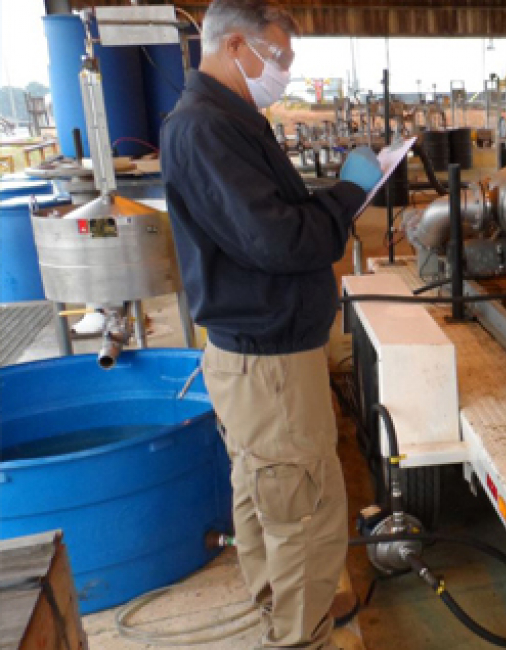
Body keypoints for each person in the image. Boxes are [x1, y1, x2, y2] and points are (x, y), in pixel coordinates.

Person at [159, 1, 382, 647]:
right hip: (270, 367)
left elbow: (270, 219)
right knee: (305, 515)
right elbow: (279, 242)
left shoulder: (233, 122)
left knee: (267, 502)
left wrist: (333, 196)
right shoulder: (205, 128)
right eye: (277, 57)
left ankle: (282, 616)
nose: (281, 71)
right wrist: (347, 194)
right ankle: (297, 636)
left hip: (262, 357)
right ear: (235, 45)